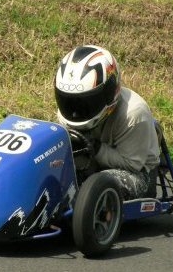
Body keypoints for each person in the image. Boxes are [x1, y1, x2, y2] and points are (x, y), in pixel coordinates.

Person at [54, 44, 160, 200]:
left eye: (85, 102)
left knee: (96, 184)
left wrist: (95, 147)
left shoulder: (134, 114)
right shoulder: (67, 112)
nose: (75, 111)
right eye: (69, 101)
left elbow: (132, 164)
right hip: (93, 162)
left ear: (110, 91)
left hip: (138, 173)